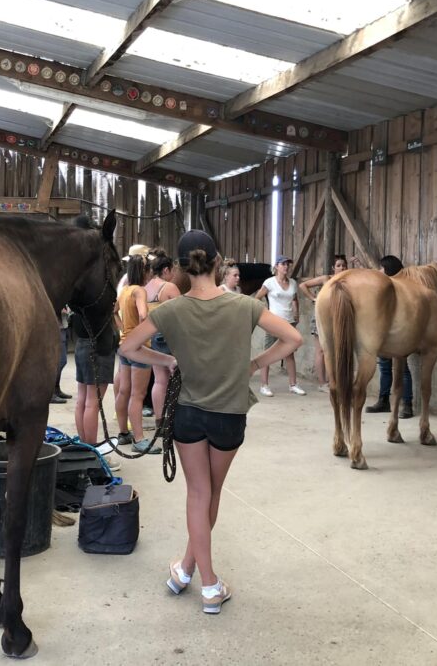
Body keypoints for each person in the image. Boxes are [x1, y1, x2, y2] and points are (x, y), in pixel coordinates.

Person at [120, 230, 302, 615]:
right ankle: (208, 584)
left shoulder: (171, 309)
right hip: (229, 414)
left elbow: (127, 347)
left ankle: (189, 572)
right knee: (212, 493)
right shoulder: (243, 306)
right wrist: (252, 365)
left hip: (188, 412)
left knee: (198, 495)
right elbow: (292, 339)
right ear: (217, 262)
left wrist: (167, 361)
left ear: (182, 268)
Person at [114, 255, 161, 454]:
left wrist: (124, 330)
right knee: (138, 394)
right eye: (149, 269)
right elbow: (143, 314)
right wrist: (143, 335)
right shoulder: (139, 291)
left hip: (124, 345)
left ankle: (123, 432)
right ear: (144, 271)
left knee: (124, 390)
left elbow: (114, 311)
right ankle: (139, 439)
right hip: (139, 348)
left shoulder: (124, 290)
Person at [71, 304, 120, 471]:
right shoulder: (98, 298)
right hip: (98, 347)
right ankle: (93, 452)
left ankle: (86, 447)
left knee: (83, 400)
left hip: (82, 344)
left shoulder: (78, 301)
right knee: (92, 403)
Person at [366, 254, 414, 418]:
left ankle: (407, 404)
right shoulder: (381, 288)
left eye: (381, 268)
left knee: (403, 369)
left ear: (388, 270)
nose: (379, 271)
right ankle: (384, 400)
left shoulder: (403, 290)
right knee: (384, 366)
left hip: (398, 334)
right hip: (383, 332)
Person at [254, 255, 306, 396]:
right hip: (273, 323)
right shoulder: (269, 282)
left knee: (289, 354)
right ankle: (264, 385)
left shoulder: (293, 283)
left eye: (287, 264)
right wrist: (265, 315)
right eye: (283, 264)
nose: (286, 267)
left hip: (288, 323)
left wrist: (296, 315)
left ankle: (293, 384)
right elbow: (257, 298)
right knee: (268, 353)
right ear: (276, 266)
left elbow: (294, 299)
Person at [299, 254, 349, 393]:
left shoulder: (347, 281)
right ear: (333, 268)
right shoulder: (326, 278)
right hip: (321, 317)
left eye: (344, 265)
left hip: (337, 318)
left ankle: (332, 381)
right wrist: (313, 298)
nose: (342, 268)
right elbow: (303, 285)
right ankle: (322, 383)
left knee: (334, 351)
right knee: (321, 350)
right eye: (338, 265)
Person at [145, 254, 181, 428]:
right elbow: (183, 314)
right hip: (169, 336)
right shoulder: (170, 287)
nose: (174, 274)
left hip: (152, 335)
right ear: (166, 269)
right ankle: (175, 418)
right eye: (172, 270)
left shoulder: (146, 287)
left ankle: (160, 420)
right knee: (177, 378)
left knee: (159, 380)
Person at [52, 306, 73, 404]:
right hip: (57, 328)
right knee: (60, 361)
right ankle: (51, 392)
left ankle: (56, 389)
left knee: (61, 361)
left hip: (63, 327)